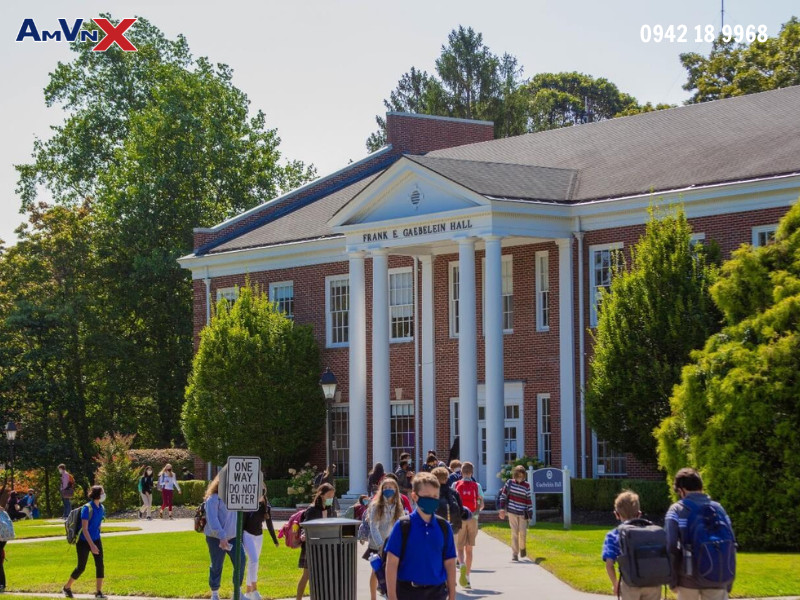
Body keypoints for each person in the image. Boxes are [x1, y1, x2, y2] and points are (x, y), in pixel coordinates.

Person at [385, 472, 457, 600]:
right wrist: (392, 597)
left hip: (437, 592)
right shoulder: (403, 526)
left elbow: (450, 563)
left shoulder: (444, 527)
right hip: (407, 592)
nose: (432, 499)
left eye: (435, 496)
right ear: (414, 496)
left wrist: (452, 596)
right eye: (427, 496)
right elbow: (391, 564)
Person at [666, 468, 735, 600]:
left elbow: (671, 547)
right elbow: (731, 543)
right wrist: (729, 580)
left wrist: (673, 580)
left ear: (681, 490)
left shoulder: (677, 509)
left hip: (688, 579)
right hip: (718, 578)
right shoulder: (719, 509)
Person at [602, 490, 661, 600]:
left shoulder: (614, 535)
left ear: (616, 514)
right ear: (639, 514)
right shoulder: (651, 532)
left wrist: (615, 584)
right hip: (653, 582)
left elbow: (609, 564)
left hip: (629, 583)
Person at [204, 472, 245, 600]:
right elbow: (212, 520)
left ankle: (237, 592)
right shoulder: (213, 499)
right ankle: (215, 593)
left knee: (241, 561)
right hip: (215, 537)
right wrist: (222, 536)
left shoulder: (235, 497)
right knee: (217, 564)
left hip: (233, 536)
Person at [62, 485, 107, 599]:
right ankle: (67, 587)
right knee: (81, 567)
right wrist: (91, 545)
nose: (103, 494)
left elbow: (98, 525)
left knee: (100, 565)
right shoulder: (87, 508)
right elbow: (85, 529)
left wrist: (96, 542)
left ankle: (98, 592)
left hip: (96, 539)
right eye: (102, 492)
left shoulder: (101, 508)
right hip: (83, 541)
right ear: (97, 494)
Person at [364, 478, 404, 600]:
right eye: (385, 488)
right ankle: (373, 597)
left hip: (392, 544)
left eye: (391, 487)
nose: (388, 490)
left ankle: (390, 594)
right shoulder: (376, 505)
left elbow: (400, 524)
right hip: (378, 544)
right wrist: (381, 545)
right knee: (376, 572)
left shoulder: (398, 505)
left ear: (396, 489)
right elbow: (373, 526)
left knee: (392, 571)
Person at [296, 483, 337, 600]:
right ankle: (298, 598)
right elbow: (305, 525)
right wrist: (304, 535)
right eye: (329, 495)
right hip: (311, 545)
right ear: (322, 495)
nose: (331, 498)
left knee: (323, 576)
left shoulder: (330, 509)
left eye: (333, 496)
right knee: (307, 575)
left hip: (326, 546)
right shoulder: (312, 509)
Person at [243, 487, 279, 600]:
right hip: (247, 534)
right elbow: (242, 523)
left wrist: (275, 539)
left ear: (263, 496)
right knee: (254, 560)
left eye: (260, 495)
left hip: (259, 536)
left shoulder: (266, 508)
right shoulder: (248, 506)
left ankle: (248, 592)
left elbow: (269, 524)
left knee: (254, 563)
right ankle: (254, 589)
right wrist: (239, 540)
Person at [453, 461, 484, 589]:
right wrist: (476, 513)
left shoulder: (455, 484)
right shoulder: (477, 485)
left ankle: (461, 564)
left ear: (461, 472)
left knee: (459, 548)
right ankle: (468, 578)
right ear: (472, 472)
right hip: (473, 519)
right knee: (469, 549)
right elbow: (481, 505)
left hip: (460, 519)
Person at [497, 465, 533, 561]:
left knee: (523, 533)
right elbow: (503, 496)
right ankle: (515, 553)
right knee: (514, 533)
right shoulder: (509, 483)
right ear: (515, 475)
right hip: (512, 511)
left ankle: (522, 548)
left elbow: (529, 500)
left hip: (523, 513)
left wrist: (530, 513)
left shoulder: (527, 485)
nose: (520, 478)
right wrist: (501, 509)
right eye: (518, 476)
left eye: (522, 476)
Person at [431, 467, 464, 537]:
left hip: (434, 527)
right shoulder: (454, 492)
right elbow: (461, 510)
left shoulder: (430, 493)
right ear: (447, 478)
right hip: (453, 527)